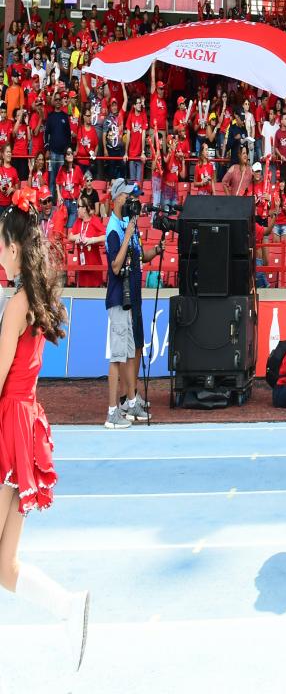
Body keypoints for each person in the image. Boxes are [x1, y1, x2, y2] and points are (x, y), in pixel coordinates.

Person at [0, 191, 90, 671]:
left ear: (13, 248)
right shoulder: (34, 299)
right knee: (4, 565)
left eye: (0, 245)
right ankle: (68, 607)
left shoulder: (17, 304)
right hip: (24, 426)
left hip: (8, 428)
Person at [104, 178, 163, 428]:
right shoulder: (115, 229)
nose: (131, 201)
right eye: (127, 197)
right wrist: (128, 235)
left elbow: (134, 259)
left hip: (128, 299)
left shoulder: (125, 224)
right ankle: (111, 412)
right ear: (118, 198)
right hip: (118, 299)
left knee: (128, 353)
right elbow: (115, 267)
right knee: (117, 357)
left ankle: (129, 402)